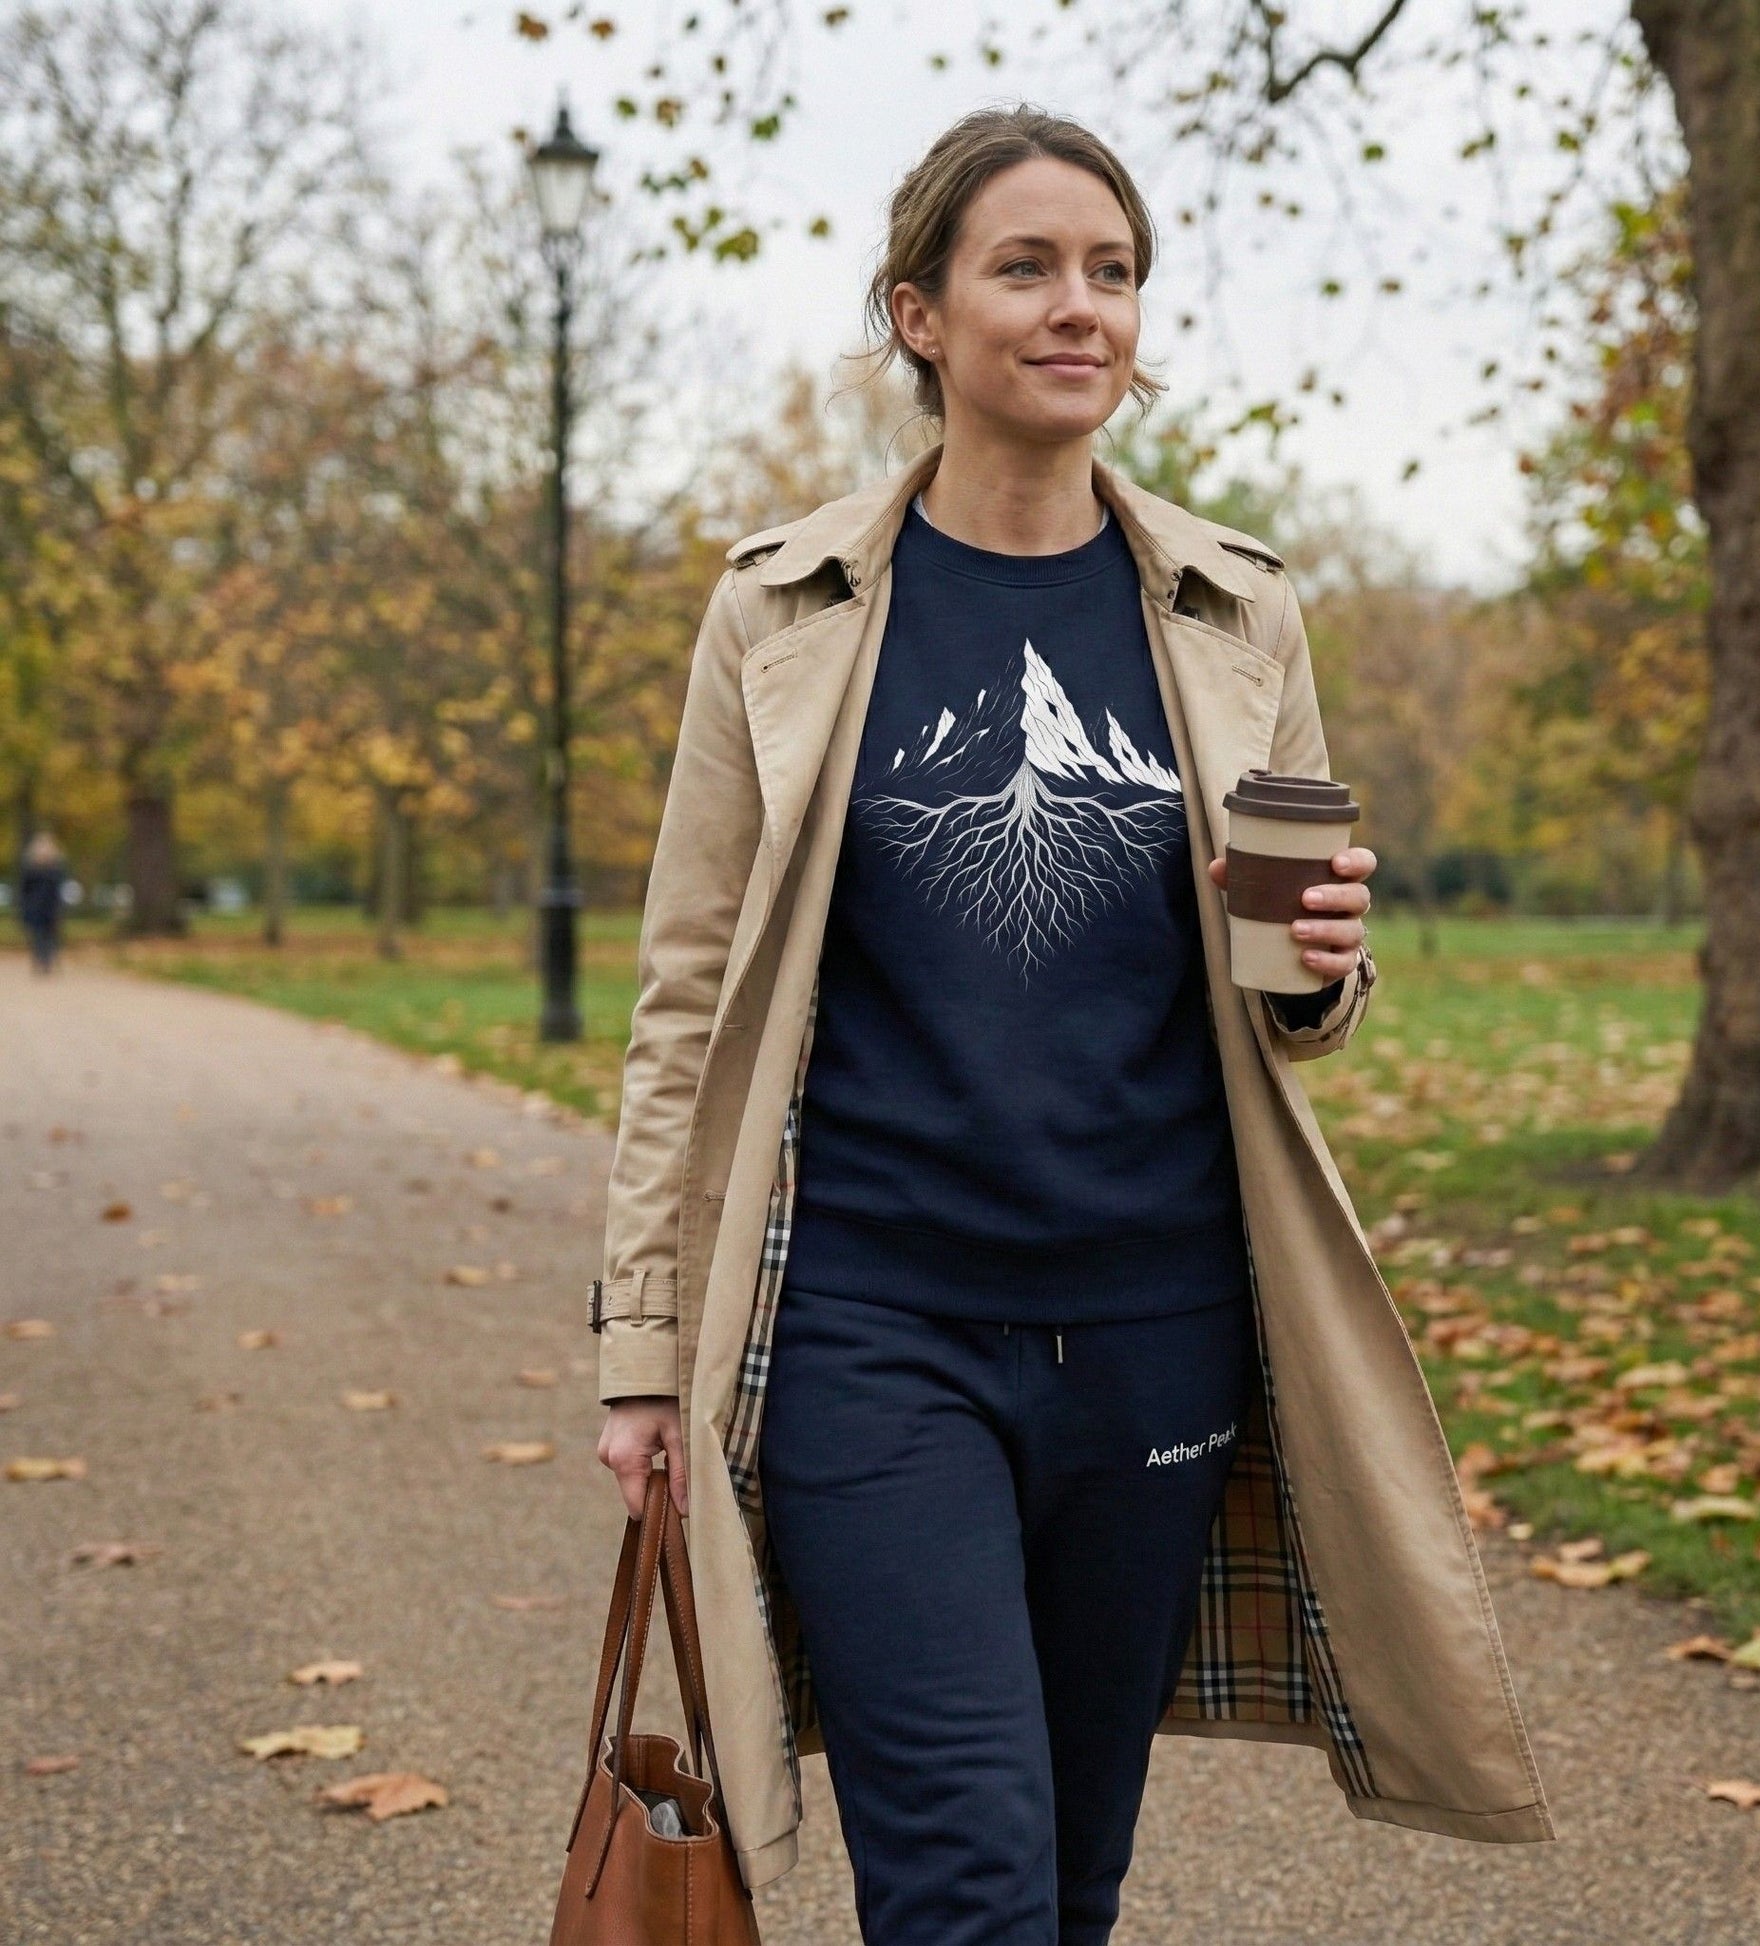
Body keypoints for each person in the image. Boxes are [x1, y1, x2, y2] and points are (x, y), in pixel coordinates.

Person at [592, 102, 1549, 1946]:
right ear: (918, 317)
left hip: (1157, 1333)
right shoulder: (783, 611)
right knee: (960, 1880)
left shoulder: (1232, 609)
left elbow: (1294, 1008)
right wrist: (645, 1345)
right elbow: (686, 995)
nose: (1078, 306)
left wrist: (1331, 960)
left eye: (1111, 272)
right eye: (1023, 266)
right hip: (877, 1332)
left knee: (1068, 1878)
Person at [19, 832, 67, 974]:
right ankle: (40, 959)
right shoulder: (30, 869)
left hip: (51, 907)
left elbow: (58, 889)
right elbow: (24, 889)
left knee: (50, 935)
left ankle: (47, 960)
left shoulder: (56, 868)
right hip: (35, 907)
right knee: (38, 935)